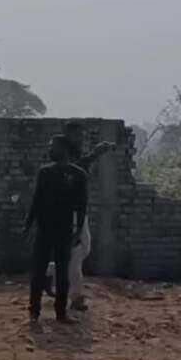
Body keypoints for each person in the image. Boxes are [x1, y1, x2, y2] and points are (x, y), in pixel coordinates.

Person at [25, 134, 88, 324]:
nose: (50, 149)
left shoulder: (78, 175)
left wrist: (78, 231)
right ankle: (34, 311)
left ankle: (61, 313)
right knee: (38, 272)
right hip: (44, 229)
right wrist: (28, 224)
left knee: (63, 274)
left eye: (53, 146)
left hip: (64, 230)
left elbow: (82, 206)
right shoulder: (45, 172)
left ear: (64, 149)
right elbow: (36, 200)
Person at [64, 122, 115, 311]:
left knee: (83, 249)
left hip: (78, 210)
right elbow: (74, 169)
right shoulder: (64, 153)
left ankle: (49, 272)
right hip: (70, 211)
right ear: (69, 135)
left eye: (82, 135)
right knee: (76, 253)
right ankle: (76, 297)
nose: (81, 138)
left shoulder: (75, 153)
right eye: (78, 135)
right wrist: (96, 153)